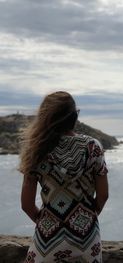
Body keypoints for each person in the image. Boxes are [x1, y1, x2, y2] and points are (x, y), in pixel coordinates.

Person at [19, 91, 109, 263]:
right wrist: (86, 218)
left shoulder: (37, 150)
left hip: (48, 240)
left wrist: (49, 223)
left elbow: (26, 205)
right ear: (74, 116)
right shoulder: (92, 147)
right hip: (87, 237)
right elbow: (103, 195)